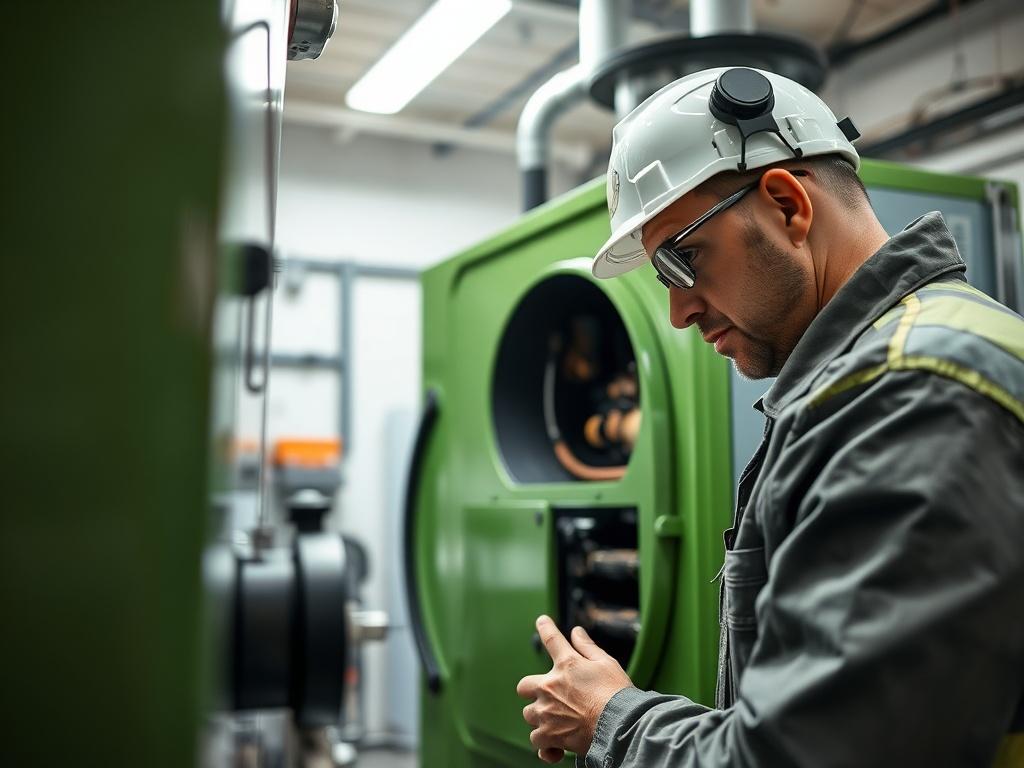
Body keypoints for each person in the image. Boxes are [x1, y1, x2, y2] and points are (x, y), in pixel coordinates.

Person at [516, 66, 1024, 767]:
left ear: (787, 205)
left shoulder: (909, 395)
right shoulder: (922, 354)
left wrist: (612, 718)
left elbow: (810, 755)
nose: (679, 311)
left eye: (685, 260)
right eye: (664, 278)